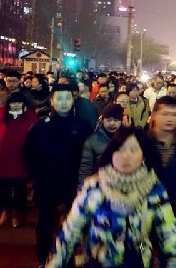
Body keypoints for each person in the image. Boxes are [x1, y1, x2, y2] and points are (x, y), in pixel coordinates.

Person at [44, 129, 176, 268]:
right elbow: (71, 229)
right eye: (119, 149)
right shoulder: (95, 187)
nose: (125, 156)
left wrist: (173, 260)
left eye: (133, 150)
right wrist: (55, 262)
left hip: (137, 261)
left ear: (144, 156)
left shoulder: (153, 189)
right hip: (99, 261)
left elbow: (168, 228)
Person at [21, 84, 92, 266]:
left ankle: (67, 261)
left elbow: (89, 157)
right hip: (45, 186)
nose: (63, 103)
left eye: (67, 98)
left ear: (73, 99)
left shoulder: (82, 127)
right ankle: (43, 259)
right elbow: (28, 154)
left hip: (72, 187)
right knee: (44, 227)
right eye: (59, 98)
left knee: (71, 228)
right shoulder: (40, 127)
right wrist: (36, 178)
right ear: (52, 101)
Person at [148, 96, 176, 228]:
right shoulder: (139, 143)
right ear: (154, 115)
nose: (170, 119)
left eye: (175, 115)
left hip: (174, 212)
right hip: (143, 211)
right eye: (165, 114)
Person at [0, 91, 37, 228]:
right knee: (3, 189)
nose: (15, 105)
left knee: (20, 190)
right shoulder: (2, 115)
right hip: (3, 160)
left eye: (18, 103)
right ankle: (6, 210)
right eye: (13, 103)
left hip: (21, 161)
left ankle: (17, 213)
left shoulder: (30, 117)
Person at [78, 104, 124, 186]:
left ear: (121, 121)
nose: (112, 123)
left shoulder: (128, 140)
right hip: (100, 186)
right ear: (103, 120)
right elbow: (85, 168)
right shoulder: (92, 141)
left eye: (116, 120)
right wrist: (83, 188)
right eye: (108, 120)